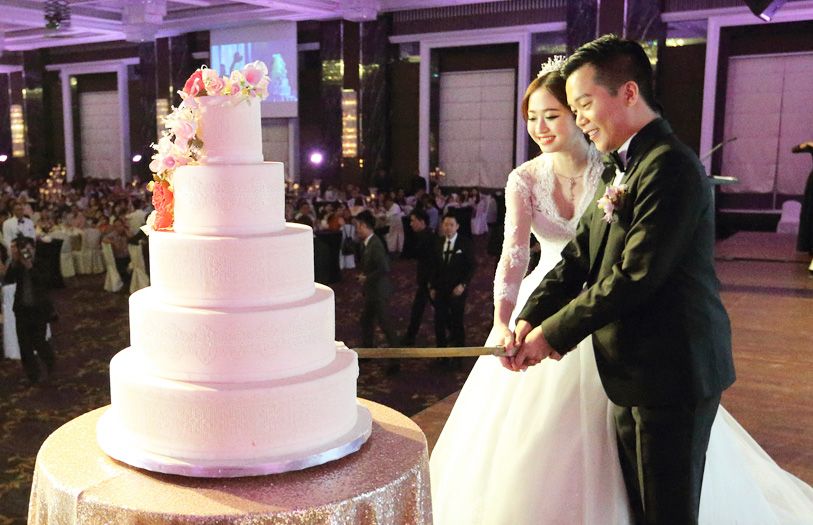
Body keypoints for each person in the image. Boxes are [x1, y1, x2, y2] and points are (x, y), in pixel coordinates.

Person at [430, 44, 813, 525]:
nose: (580, 119)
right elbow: (577, 256)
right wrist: (530, 316)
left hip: (672, 371)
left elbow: (634, 277)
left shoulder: (669, 167)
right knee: (639, 507)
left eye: (584, 105)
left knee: (667, 512)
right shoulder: (623, 166)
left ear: (628, 92)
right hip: (631, 369)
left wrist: (550, 335)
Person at [4, 236, 56, 386]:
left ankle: (50, 362)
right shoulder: (17, 265)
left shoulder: (41, 262)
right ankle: (33, 376)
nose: (26, 253)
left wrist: (31, 268)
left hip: (39, 310)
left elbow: (46, 282)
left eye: (28, 249)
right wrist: (14, 261)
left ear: (33, 248)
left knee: (39, 341)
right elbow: (8, 279)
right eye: (23, 250)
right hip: (22, 310)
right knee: (25, 345)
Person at [429, 213, 476, 349]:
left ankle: (459, 355)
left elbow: (471, 266)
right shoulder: (437, 242)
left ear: (457, 227)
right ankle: (441, 354)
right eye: (445, 225)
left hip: (457, 289)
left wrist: (463, 285)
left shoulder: (465, 243)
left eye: (451, 225)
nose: (448, 228)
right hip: (440, 289)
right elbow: (432, 266)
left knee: (457, 321)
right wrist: (432, 286)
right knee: (439, 322)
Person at [353, 210, 398, 349]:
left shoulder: (375, 244)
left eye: (357, 226)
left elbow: (384, 268)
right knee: (366, 320)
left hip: (378, 292)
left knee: (385, 325)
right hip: (372, 291)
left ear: (364, 226)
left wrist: (366, 278)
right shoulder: (367, 243)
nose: (356, 230)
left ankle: (397, 358)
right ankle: (368, 351)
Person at [401, 209, 435, 346]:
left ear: (422, 222)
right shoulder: (422, 236)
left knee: (424, 308)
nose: (410, 224)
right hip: (425, 281)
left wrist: (431, 283)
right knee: (419, 309)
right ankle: (410, 336)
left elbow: (432, 263)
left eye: (413, 220)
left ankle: (410, 336)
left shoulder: (428, 238)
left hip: (429, 282)